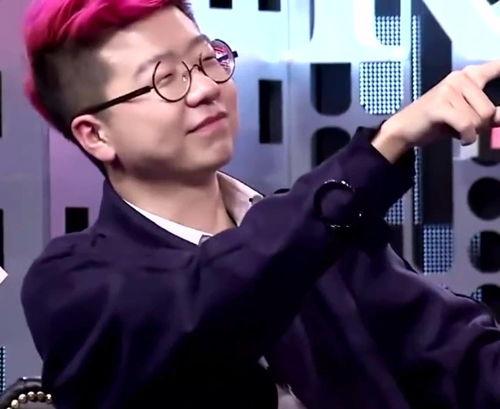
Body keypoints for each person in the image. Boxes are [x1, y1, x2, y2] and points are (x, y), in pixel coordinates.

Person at [20, 0, 500, 408]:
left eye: (207, 59)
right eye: (166, 79)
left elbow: (458, 356)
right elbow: (213, 299)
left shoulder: (323, 232)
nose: (205, 88)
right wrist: (385, 145)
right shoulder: (72, 284)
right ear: (96, 135)